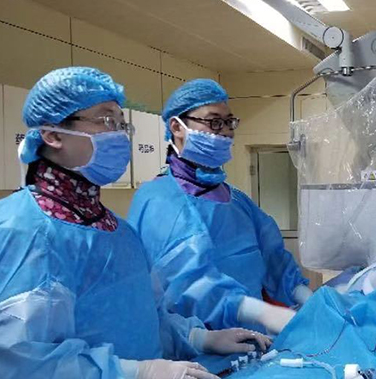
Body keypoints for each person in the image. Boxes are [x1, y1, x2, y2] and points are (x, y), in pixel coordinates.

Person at [0, 68, 269, 379]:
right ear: (53, 135)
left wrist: (200, 338)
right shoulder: (20, 232)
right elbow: (24, 368)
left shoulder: (117, 232)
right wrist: (137, 374)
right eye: (106, 120)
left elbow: (145, 317)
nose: (120, 135)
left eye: (121, 123)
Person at [128, 79, 313, 336]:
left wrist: (304, 296)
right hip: (194, 345)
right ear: (177, 127)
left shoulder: (236, 200)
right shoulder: (158, 199)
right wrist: (262, 312)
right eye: (214, 122)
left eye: (229, 122)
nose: (225, 131)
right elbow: (186, 283)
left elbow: (274, 259)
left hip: (253, 339)